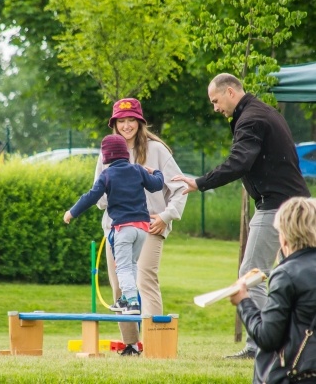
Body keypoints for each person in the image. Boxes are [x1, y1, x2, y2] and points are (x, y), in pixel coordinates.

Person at [172, 73, 311, 359]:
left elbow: (239, 162)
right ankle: (291, 341)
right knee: (293, 272)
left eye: (215, 100)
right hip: (296, 204)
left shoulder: (250, 119)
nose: (215, 108)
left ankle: (259, 346)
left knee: (251, 274)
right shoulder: (264, 111)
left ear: (231, 92)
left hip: (276, 207)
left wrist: (200, 182)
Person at [95, 98, 187, 356]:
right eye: (121, 121)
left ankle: (156, 346)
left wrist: (166, 216)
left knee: (144, 279)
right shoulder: (106, 152)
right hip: (117, 228)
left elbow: (180, 187)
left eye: (131, 120)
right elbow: (100, 200)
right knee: (120, 287)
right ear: (114, 124)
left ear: (140, 121)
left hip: (150, 226)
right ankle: (131, 346)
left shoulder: (157, 150)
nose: (126, 125)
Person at [64, 134, 164, 315]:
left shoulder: (107, 175)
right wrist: (156, 172)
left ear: (105, 156)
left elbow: (91, 197)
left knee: (123, 266)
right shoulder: (138, 170)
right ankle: (127, 298)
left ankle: (132, 302)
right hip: (142, 228)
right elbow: (156, 185)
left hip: (122, 229)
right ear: (125, 153)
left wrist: (72, 212)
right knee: (132, 264)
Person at [230, 197, 316, 384]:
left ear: (285, 234)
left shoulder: (287, 274)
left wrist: (244, 301)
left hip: (297, 374)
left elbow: (267, 336)